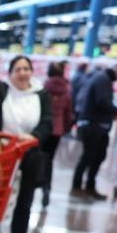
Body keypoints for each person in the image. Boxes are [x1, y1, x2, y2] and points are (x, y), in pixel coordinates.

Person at [0, 55, 51, 233]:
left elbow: (47, 123)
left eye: (26, 69)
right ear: (10, 73)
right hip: (0, 157)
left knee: (24, 205)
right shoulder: (1, 90)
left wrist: (34, 136)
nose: (23, 73)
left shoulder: (41, 95)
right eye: (18, 69)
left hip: (29, 157)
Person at [72, 61, 117, 200]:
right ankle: (77, 187)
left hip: (99, 125)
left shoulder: (104, 79)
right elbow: (101, 101)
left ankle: (90, 187)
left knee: (98, 157)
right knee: (88, 157)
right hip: (93, 125)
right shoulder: (102, 79)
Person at [41, 61, 74, 208]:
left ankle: (36, 182)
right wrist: (64, 129)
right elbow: (68, 114)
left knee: (38, 158)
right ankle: (47, 187)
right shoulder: (66, 91)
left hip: (43, 129)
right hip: (57, 130)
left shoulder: (43, 88)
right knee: (49, 160)